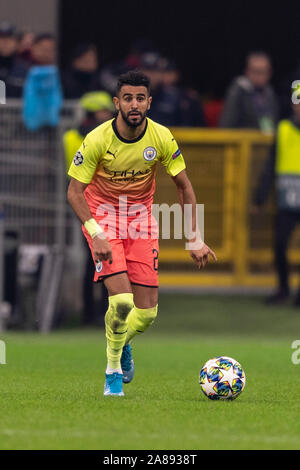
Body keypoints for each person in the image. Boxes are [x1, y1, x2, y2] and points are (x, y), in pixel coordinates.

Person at [67, 70, 216, 396]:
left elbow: (184, 187)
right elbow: (74, 192)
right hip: (104, 219)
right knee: (120, 302)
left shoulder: (161, 137)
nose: (134, 104)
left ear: (148, 102)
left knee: (146, 314)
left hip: (140, 221)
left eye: (140, 98)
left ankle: (122, 344)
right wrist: (95, 233)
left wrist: (194, 237)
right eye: (128, 98)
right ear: (117, 102)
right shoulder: (97, 139)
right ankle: (112, 373)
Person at [63, 91, 115, 325]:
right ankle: (94, 314)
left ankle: (96, 313)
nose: (108, 116)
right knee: (99, 260)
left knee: (100, 260)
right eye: (103, 112)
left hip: (96, 204)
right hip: (91, 204)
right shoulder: (90, 138)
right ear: (92, 114)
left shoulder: (74, 137)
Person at [254, 95, 300, 305]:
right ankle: (284, 288)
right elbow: (271, 166)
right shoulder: (283, 129)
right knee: (280, 244)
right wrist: (259, 198)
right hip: (287, 202)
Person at [219, 52, 279, 132]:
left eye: (263, 72)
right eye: (256, 71)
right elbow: (227, 124)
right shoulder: (238, 91)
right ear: (247, 71)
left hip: (266, 141)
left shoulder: (269, 92)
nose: (259, 76)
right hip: (243, 142)